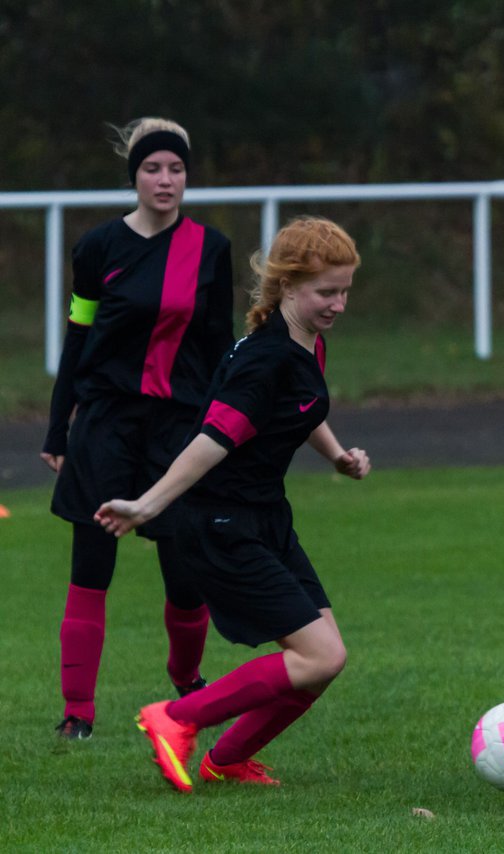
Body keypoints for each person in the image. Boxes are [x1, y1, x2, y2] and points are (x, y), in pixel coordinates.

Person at [94, 216, 369, 793]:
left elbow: (300, 408)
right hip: (219, 524)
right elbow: (212, 440)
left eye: (344, 290)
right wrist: (146, 506)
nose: (338, 304)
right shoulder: (263, 360)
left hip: (266, 518)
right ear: (288, 286)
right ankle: (177, 718)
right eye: (326, 291)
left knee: (326, 659)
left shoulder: (303, 344)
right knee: (317, 657)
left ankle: (228, 758)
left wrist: (338, 456)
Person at [42, 117, 234, 740]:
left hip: (177, 428)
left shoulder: (211, 250)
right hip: (104, 422)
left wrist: (224, 427)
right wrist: (55, 429)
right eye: (153, 168)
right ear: (135, 177)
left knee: (184, 571)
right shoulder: (97, 248)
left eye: (176, 169)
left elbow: (218, 345)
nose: (165, 179)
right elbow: (78, 336)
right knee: (91, 561)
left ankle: (187, 683)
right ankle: (78, 713)